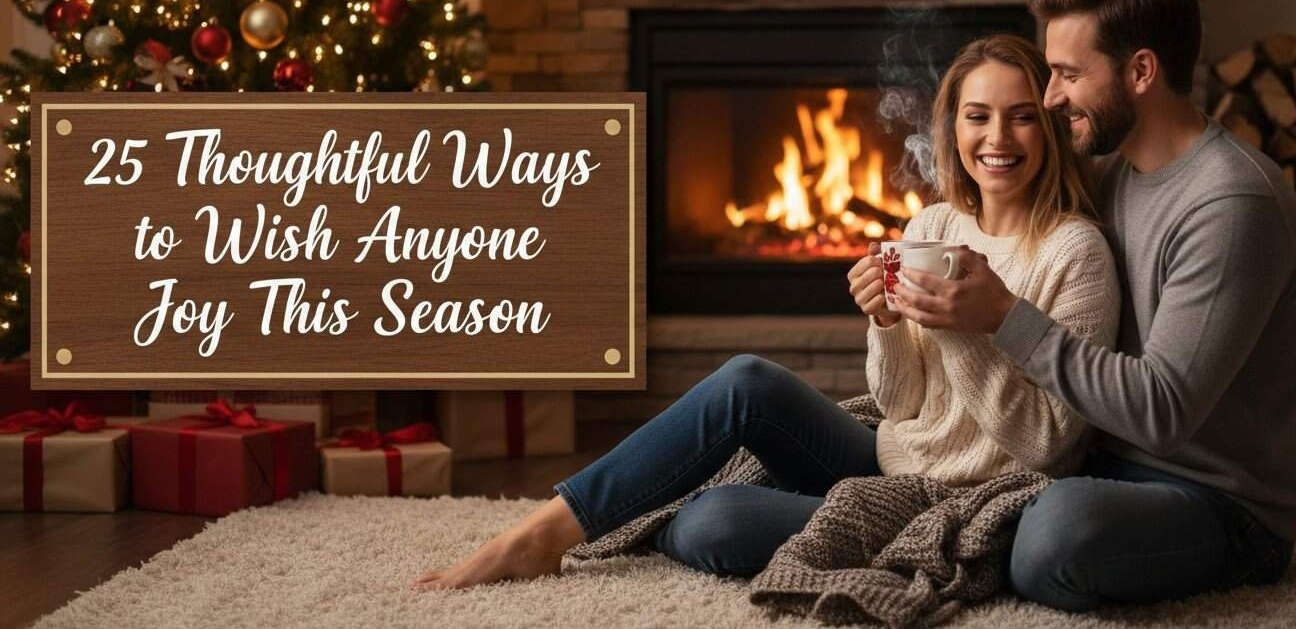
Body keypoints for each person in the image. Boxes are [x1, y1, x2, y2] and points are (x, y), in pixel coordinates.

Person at [411, 34, 1120, 590]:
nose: (998, 138)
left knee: (709, 524)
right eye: (978, 116)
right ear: (953, 127)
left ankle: (651, 510)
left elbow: (1046, 447)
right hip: (889, 459)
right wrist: (886, 324)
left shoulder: (1076, 254)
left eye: (1022, 117)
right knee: (745, 378)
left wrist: (964, 324)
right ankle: (540, 534)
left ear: (1049, 128)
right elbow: (900, 407)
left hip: (964, 499)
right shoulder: (933, 224)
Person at [888, 0, 1296, 611]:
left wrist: (1002, 316)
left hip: (1216, 501)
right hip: (1098, 464)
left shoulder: (1231, 204)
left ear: (1140, 71)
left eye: (1068, 74)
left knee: (1054, 539)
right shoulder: (1110, 172)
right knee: (771, 397)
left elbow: (1161, 413)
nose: (1050, 97)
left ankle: (938, 531)